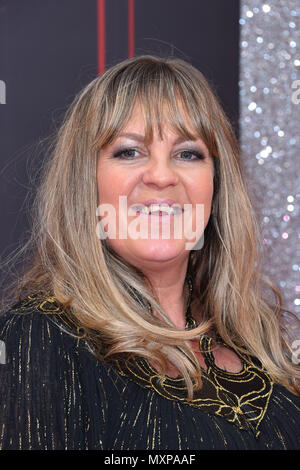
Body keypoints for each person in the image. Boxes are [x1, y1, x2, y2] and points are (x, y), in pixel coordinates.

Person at [0, 55, 299, 450]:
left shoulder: (258, 339)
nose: (161, 175)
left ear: (217, 185)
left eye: (188, 153)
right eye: (129, 152)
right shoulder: (40, 336)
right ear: (84, 183)